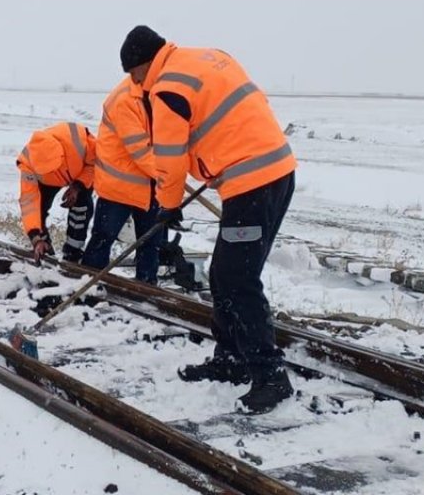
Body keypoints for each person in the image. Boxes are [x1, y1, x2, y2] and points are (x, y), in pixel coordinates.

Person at [120, 25, 297, 414]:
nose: (136, 86)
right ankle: (231, 359)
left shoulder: (167, 87)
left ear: (142, 65)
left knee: (236, 277)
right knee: (224, 273)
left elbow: (168, 158)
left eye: (135, 77)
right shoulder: (206, 57)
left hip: (253, 182)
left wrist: (167, 206)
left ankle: (270, 375)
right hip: (272, 171)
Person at [80, 77, 166, 283]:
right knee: (103, 239)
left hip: (150, 185)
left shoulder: (158, 94)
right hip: (119, 186)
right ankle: (89, 285)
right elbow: (140, 150)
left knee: (151, 243)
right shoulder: (125, 100)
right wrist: (169, 178)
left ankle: (146, 293)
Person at [17, 122, 96, 264]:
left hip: (80, 176)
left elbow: (95, 163)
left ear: (61, 156)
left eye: (52, 168)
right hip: (46, 183)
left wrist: (78, 186)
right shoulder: (28, 163)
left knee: (81, 209)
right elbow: (29, 203)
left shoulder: (79, 140)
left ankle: (73, 253)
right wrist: (35, 237)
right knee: (38, 213)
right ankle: (45, 250)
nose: (52, 171)